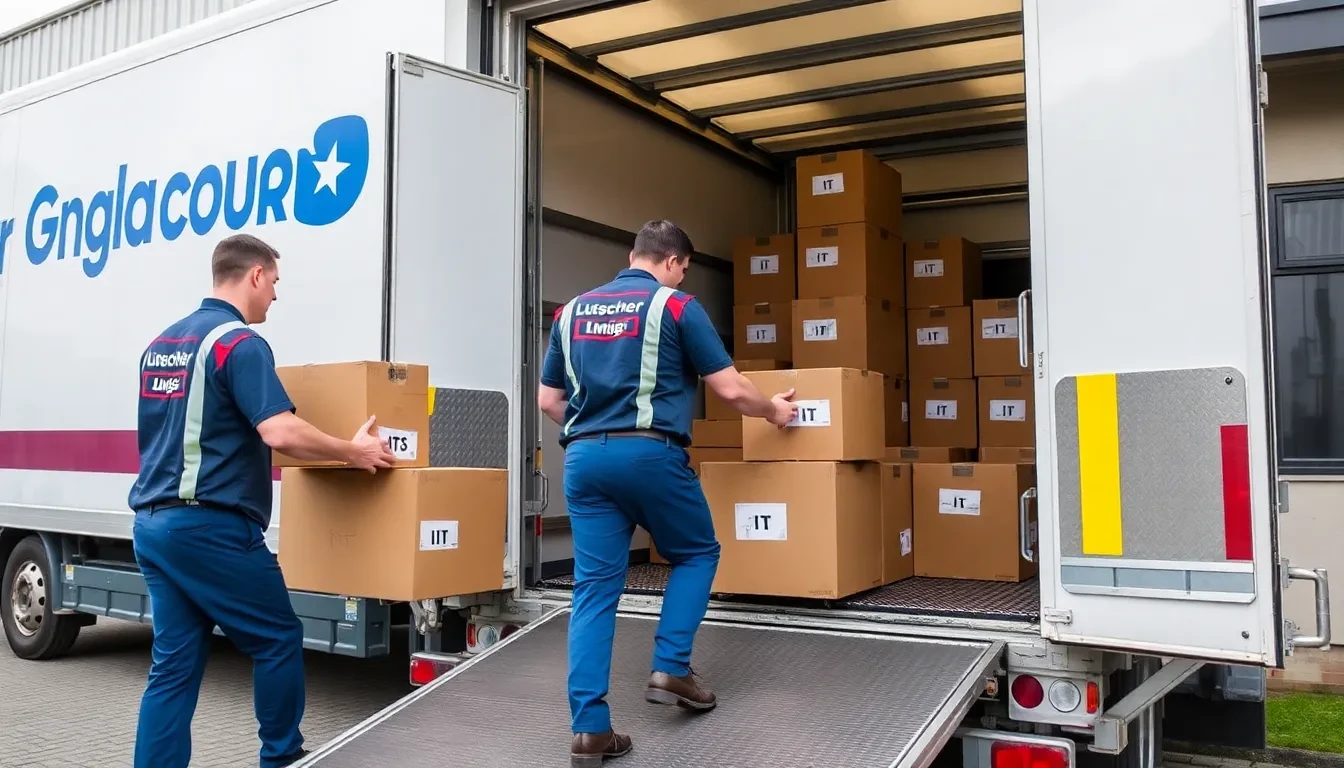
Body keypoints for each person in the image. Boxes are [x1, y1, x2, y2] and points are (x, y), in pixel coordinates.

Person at [126, 233, 397, 768]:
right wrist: (352, 450)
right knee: (277, 637)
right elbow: (279, 432)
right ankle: (283, 757)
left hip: (154, 527)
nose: (275, 295)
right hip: (211, 530)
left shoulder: (160, 344)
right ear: (254, 275)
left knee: (174, 668)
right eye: (274, 281)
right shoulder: (238, 343)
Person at [537, 220, 798, 765]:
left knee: (593, 592)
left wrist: (591, 431)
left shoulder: (571, 311)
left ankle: (590, 730)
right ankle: (672, 668)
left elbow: (547, 399)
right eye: (683, 270)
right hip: (651, 455)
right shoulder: (675, 306)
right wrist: (775, 409)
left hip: (583, 462)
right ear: (675, 263)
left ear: (634, 255)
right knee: (698, 551)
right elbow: (729, 388)